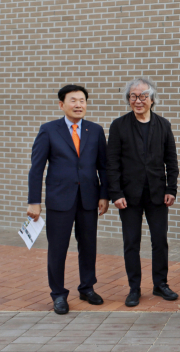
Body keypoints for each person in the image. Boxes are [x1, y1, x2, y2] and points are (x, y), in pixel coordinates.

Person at [27, 85, 109, 315]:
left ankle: (87, 287)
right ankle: (58, 294)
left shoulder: (96, 130)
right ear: (61, 104)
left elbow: (103, 166)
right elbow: (37, 169)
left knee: (88, 246)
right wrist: (34, 201)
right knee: (58, 248)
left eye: (82, 100)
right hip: (59, 199)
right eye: (73, 100)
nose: (79, 105)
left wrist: (104, 195)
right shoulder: (49, 130)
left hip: (88, 199)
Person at [107, 77, 179, 307]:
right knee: (131, 243)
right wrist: (115, 193)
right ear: (128, 100)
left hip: (158, 194)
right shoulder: (118, 125)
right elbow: (112, 163)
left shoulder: (163, 125)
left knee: (160, 241)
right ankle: (134, 288)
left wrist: (171, 189)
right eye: (133, 96)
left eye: (143, 96)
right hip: (128, 196)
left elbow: (171, 161)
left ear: (152, 99)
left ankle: (160, 284)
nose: (138, 101)